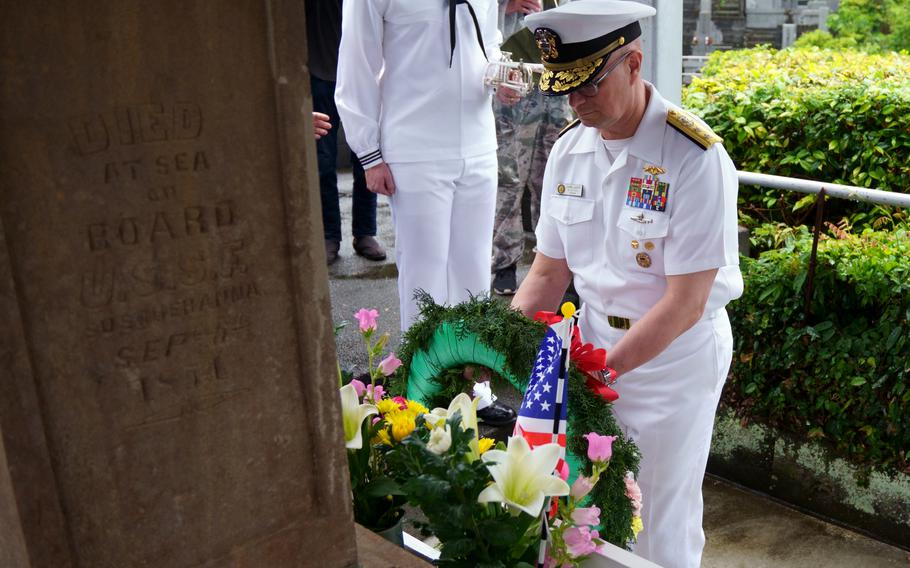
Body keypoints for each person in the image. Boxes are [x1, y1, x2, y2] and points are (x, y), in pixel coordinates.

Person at [513, 2, 744, 567]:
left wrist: (602, 374)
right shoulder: (569, 149)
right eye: (564, 88)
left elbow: (685, 303)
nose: (576, 100)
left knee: (658, 516)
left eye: (588, 83)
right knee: (585, 504)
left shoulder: (694, 157)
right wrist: (495, 342)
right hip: (592, 349)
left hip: (671, 363)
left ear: (633, 62)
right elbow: (548, 272)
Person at [336, 0, 517, 426]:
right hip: (413, 146)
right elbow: (357, 66)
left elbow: (486, 39)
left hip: (477, 143)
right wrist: (369, 153)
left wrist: (500, 76)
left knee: (473, 274)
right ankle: (426, 392)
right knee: (425, 279)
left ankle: (477, 388)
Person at [491, 0, 573, 295]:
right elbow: (477, 22)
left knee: (555, 178)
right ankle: (505, 263)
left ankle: (552, 262)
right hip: (515, 80)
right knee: (508, 176)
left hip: (558, 83)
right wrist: (506, 6)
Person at [307, 0, 386, 266]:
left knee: (367, 157)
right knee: (323, 162)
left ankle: (365, 232)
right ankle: (329, 235)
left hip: (361, 78)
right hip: (320, 73)